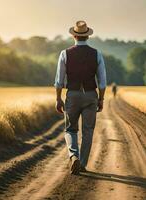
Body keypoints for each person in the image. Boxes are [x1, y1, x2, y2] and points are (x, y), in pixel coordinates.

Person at [54, 20, 107, 175]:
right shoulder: (97, 54)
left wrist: (58, 99)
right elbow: (102, 82)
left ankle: (73, 156)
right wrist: (101, 99)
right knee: (88, 131)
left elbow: (59, 80)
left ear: (74, 35)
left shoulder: (65, 53)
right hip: (91, 95)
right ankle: (82, 163)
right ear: (87, 37)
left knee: (70, 129)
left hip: (72, 94)